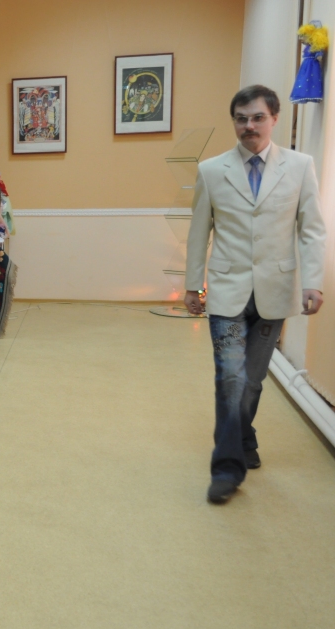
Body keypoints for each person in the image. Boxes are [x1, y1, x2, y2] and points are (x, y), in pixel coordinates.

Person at [184, 85, 327, 505]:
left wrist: (313, 281)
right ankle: (227, 468)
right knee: (230, 378)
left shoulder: (300, 166)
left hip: (275, 292)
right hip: (227, 292)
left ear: (274, 119)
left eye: (257, 117)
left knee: (252, 380)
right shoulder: (212, 170)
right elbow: (199, 231)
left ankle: (244, 437)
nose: (249, 125)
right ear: (234, 122)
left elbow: (312, 229)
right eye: (241, 118)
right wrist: (192, 284)